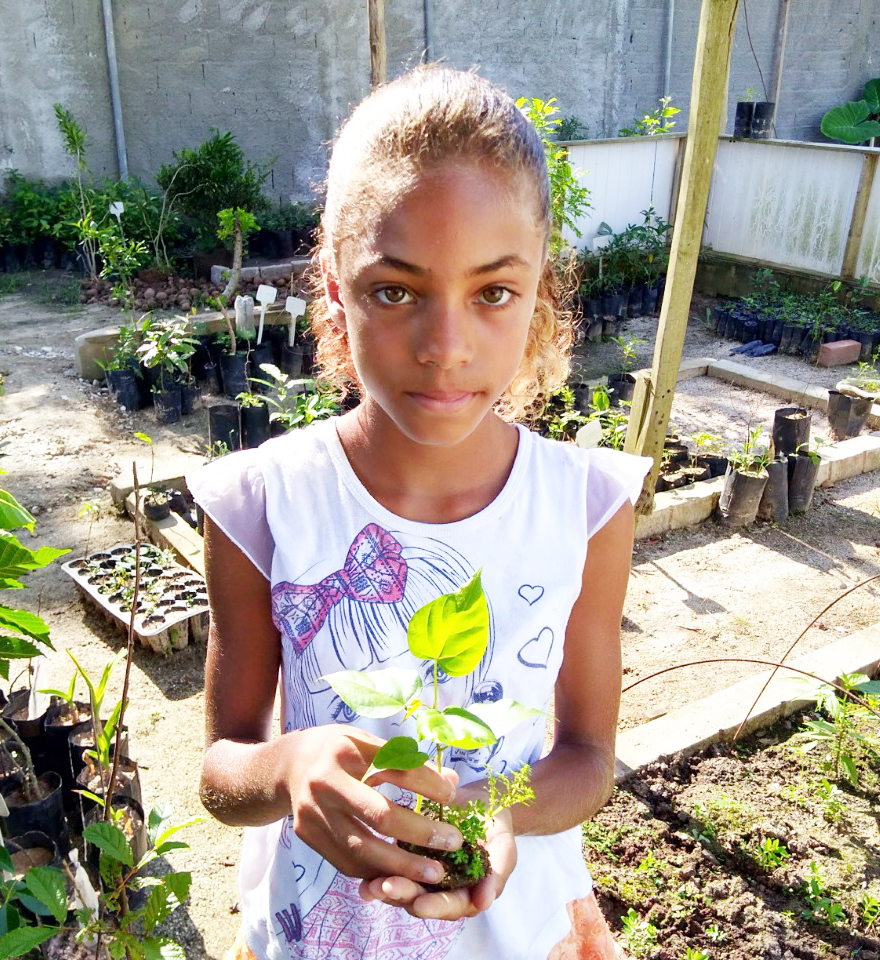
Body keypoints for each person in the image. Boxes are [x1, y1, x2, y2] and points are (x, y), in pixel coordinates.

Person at [189, 64, 650, 960]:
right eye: (395, 290)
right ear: (333, 287)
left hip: (514, 928)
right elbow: (222, 770)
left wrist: (491, 808)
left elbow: (588, 755)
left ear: (539, 290)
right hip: (322, 933)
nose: (446, 348)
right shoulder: (261, 503)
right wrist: (288, 770)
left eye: (493, 292)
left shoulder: (587, 505)